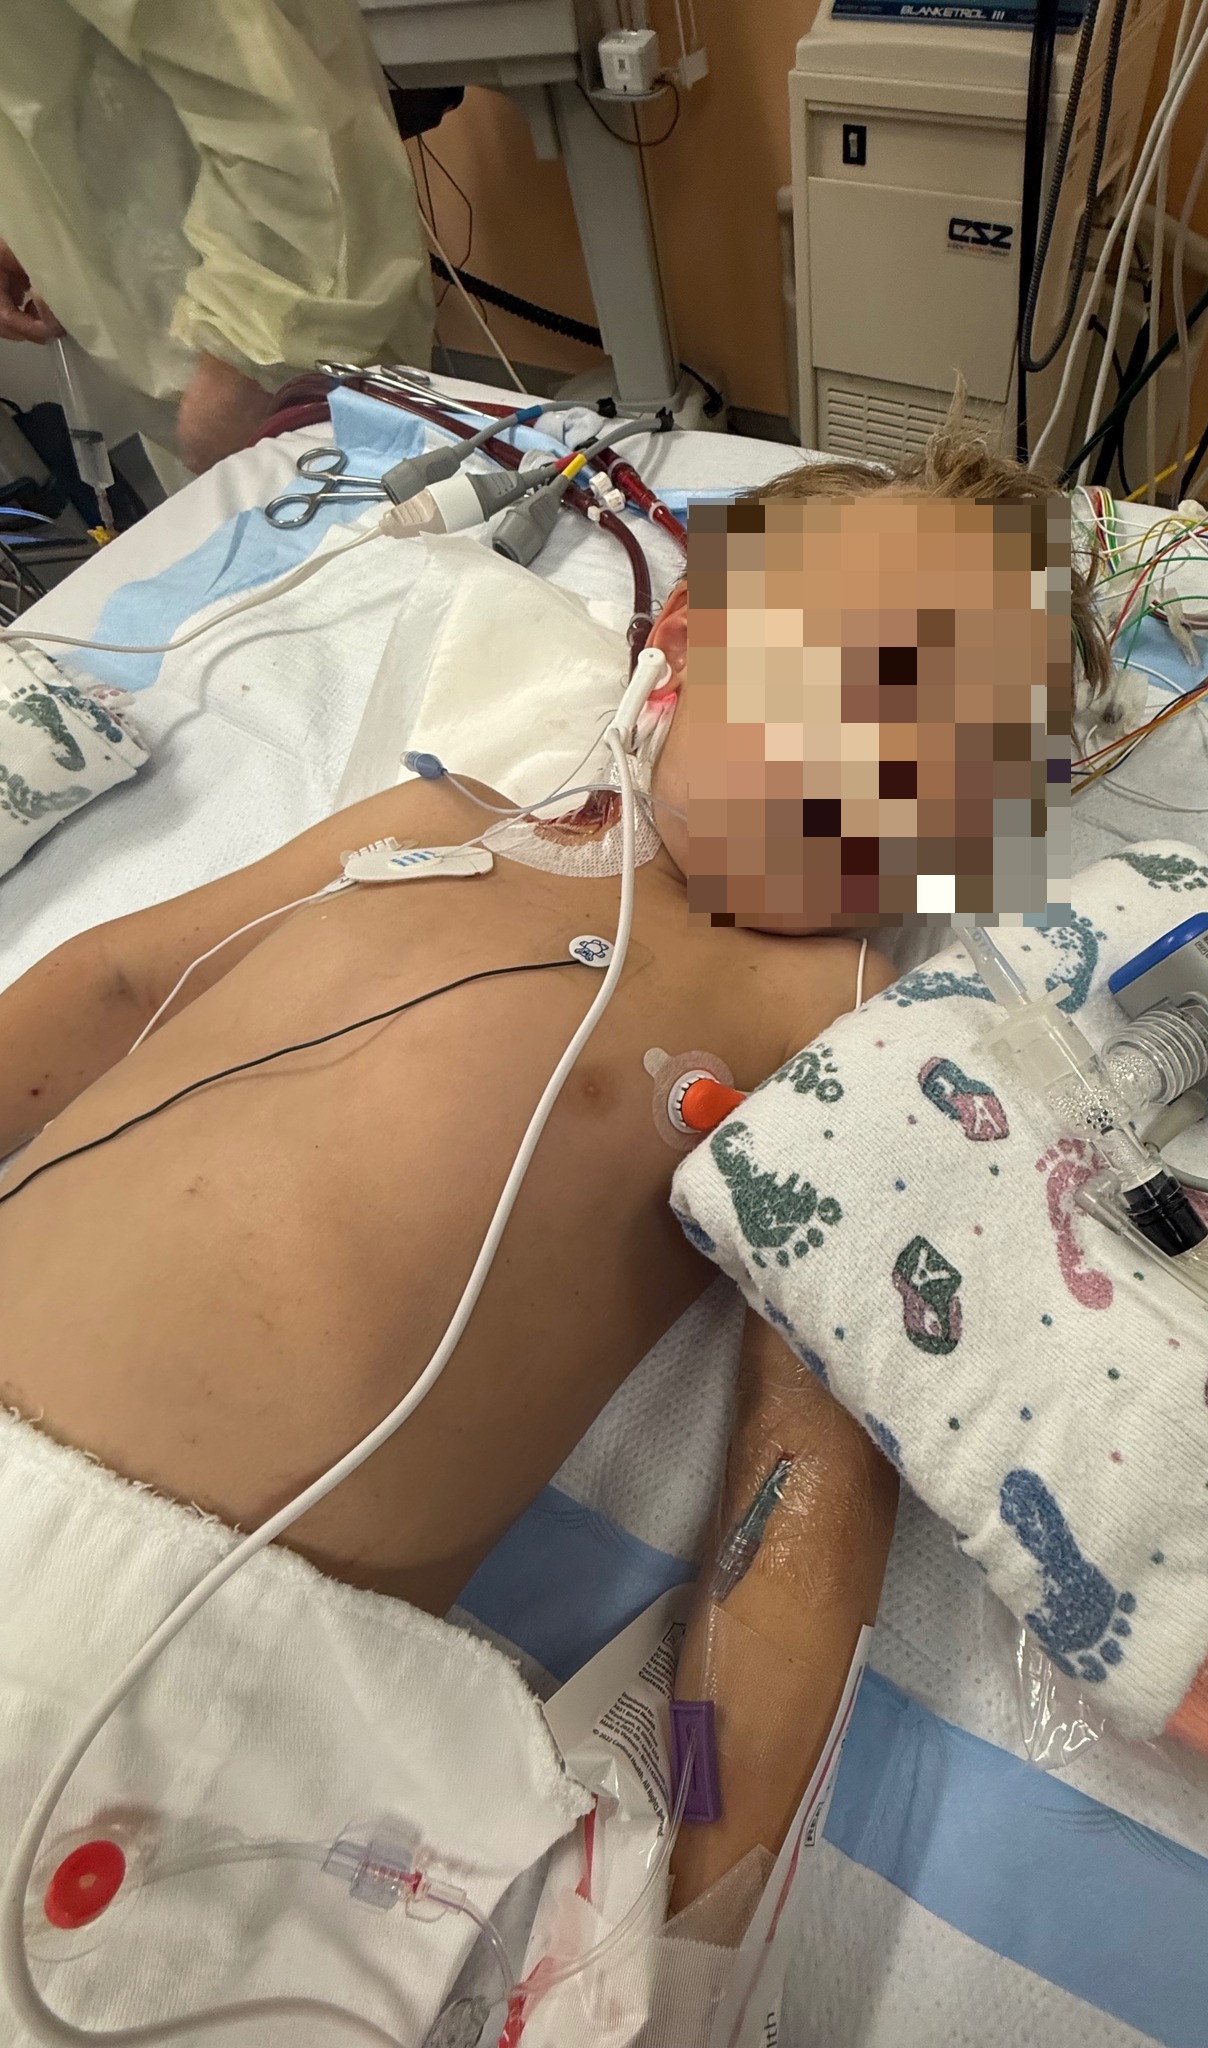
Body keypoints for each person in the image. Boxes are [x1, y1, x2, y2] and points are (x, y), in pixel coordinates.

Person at [0, 431, 1106, 1982]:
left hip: (189, 1684)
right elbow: (119, 979)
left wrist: (692, 1929)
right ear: (691, 643)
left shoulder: (842, 1033)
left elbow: (794, 1495)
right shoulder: (430, 826)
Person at [0, 0, 432, 474]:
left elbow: (280, 117)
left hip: (268, 345)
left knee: (379, 499)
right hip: (168, 345)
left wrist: (248, 362)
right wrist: (26, 228)